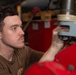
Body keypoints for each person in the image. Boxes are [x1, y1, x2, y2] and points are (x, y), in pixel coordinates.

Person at [0, 6, 64, 75]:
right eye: (14, 28)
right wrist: (54, 47)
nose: (22, 32)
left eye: (20, 27)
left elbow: (50, 59)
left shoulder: (22, 51)